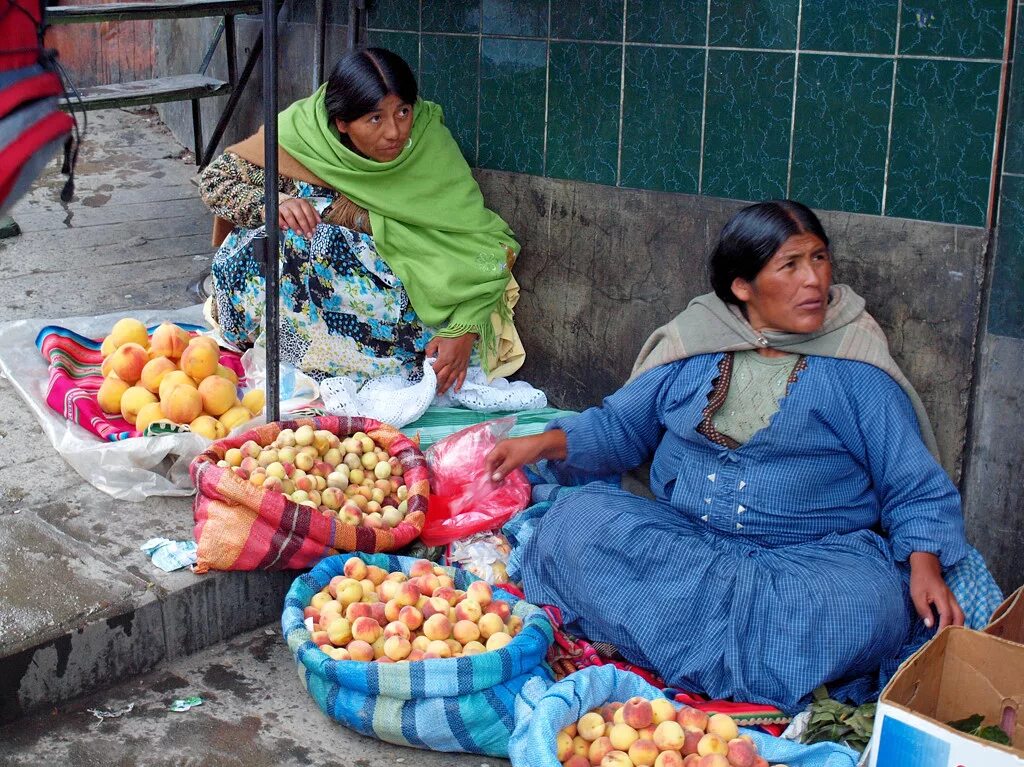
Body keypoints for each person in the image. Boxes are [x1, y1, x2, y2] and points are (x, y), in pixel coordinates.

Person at [486, 200, 971, 711]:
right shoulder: (697, 345)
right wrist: (540, 443)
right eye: (791, 265)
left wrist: (925, 566)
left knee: (865, 608)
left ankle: (662, 651)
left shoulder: (856, 368)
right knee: (575, 521)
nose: (815, 281)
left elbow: (912, 482)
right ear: (743, 286)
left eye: (820, 258)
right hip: (686, 545)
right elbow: (620, 428)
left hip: (808, 567)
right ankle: (733, 673)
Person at [198, 47, 523, 394]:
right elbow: (215, 182)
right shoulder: (302, 137)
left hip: (397, 307)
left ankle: (358, 365)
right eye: (375, 119)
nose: (394, 132)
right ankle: (302, 355)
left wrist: (465, 327)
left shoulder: (428, 144)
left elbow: (492, 245)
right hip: (309, 308)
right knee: (285, 237)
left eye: (403, 111)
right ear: (342, 123)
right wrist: (273, 203)